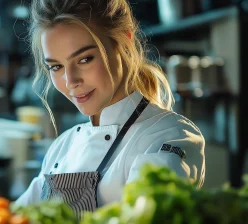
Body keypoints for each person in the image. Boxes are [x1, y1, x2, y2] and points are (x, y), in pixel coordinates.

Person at [15, 0, 205, 217]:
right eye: (56, 67)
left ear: (124, 41)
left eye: (85, 59)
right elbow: (14, 217)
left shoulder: (169, 136)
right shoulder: (62, 146)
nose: (70, 81)